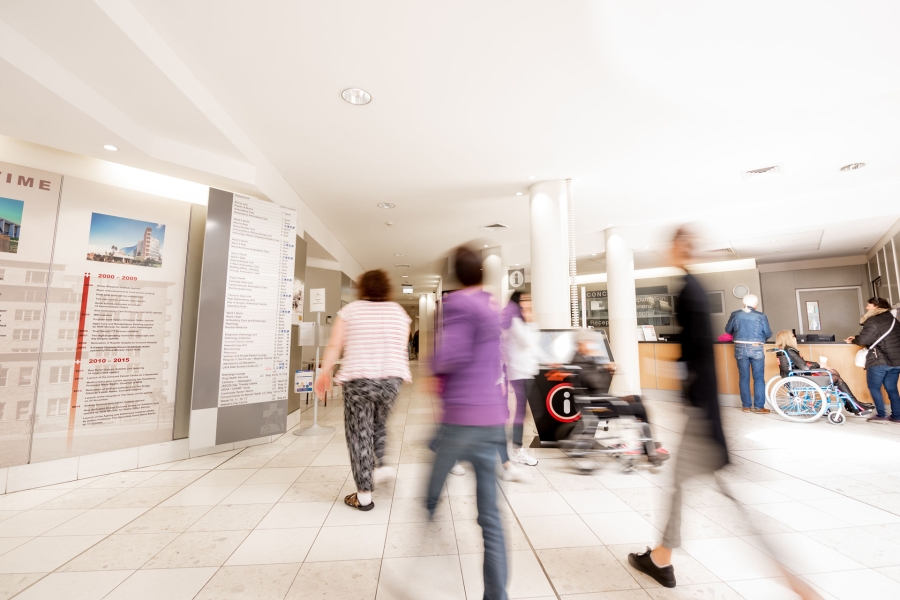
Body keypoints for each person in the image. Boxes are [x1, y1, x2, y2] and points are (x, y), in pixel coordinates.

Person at [628, 228, 820, 600]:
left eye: (674, 244)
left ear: (682, 248)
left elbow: (697, 348)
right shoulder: (699, 290)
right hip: (706, 410)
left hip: (703, 415)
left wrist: (683, 377)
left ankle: (797, 584)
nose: (669, 250)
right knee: (687, 488)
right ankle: (662, 557)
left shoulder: (690, 292)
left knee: (727, 503)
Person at [428, 245, 508, 600]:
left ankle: (423, 556)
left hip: (461, 419)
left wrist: (432, 362)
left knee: (430, 494)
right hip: (492, 420)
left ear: (456, 275)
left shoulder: (458, 303)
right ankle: (496, 595)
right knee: (490, 517)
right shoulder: (492, 307)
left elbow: (451, 355)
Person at [315, 269, 411, 511]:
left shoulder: (350, 311)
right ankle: (383, 464)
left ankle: (364, 495)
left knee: (359, 435)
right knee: (379, 424)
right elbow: (401, 346)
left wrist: (324, 372)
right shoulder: (399, 313)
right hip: (391, 381)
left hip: (359, 382)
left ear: (363, 288)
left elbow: (336, 344)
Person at [571, 328, 668, 458]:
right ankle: (649, 449)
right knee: (640, 408)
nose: (593, 344)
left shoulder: (584, 360)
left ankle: (646, 444)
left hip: (599, 401)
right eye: (590, 342)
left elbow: (598, 385)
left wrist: (606, 369)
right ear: (581, 344)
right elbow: (597, 383)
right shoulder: (580, 362)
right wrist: (605, 368)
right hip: (597, 406)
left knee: (637, 399)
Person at [774, 330, 872, 416]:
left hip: (795, 376)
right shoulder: (789, 350)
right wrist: (820, 365)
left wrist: (820, 365)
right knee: (835, 377)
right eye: (792, 336)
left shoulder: (784, 350)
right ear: (787, 338)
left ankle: (852, 404)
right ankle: (854, 404)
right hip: (799, 378)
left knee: (833, 373)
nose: (795, 338)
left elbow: (802, 364)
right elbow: (804, 367)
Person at [501, 291, 546, 467]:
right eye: (525, 300)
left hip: (527, 371)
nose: (529, 302)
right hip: (518, 372)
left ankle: (513, 444)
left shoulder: (522, 321)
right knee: (523, 411)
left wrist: (550, 362)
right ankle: (516, 448)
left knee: (530, 411)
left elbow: (534, 345)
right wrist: (530, 318)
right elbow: (528, 342)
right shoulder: (515, 321)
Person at [844, 297, 900, 423]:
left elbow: (864, 340)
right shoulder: (893, 320)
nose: (866, 308)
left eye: (869, 305)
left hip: (879, 360)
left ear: (876, 306)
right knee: (892, 389)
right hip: (896, 361)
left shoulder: (873, 321)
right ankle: (897, 416)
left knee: (874, 387)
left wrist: (854, 339)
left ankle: (881, 415)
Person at [725, 294, 772, 414]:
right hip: (756, 348)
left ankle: (746, 406)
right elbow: (768, 333)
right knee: (759, 379)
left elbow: (728, 330)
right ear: (755, 304)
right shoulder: (761, 316)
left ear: (743, 303)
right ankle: (759, 407)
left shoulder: (735, 314)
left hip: (740, 348)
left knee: (744, 378)